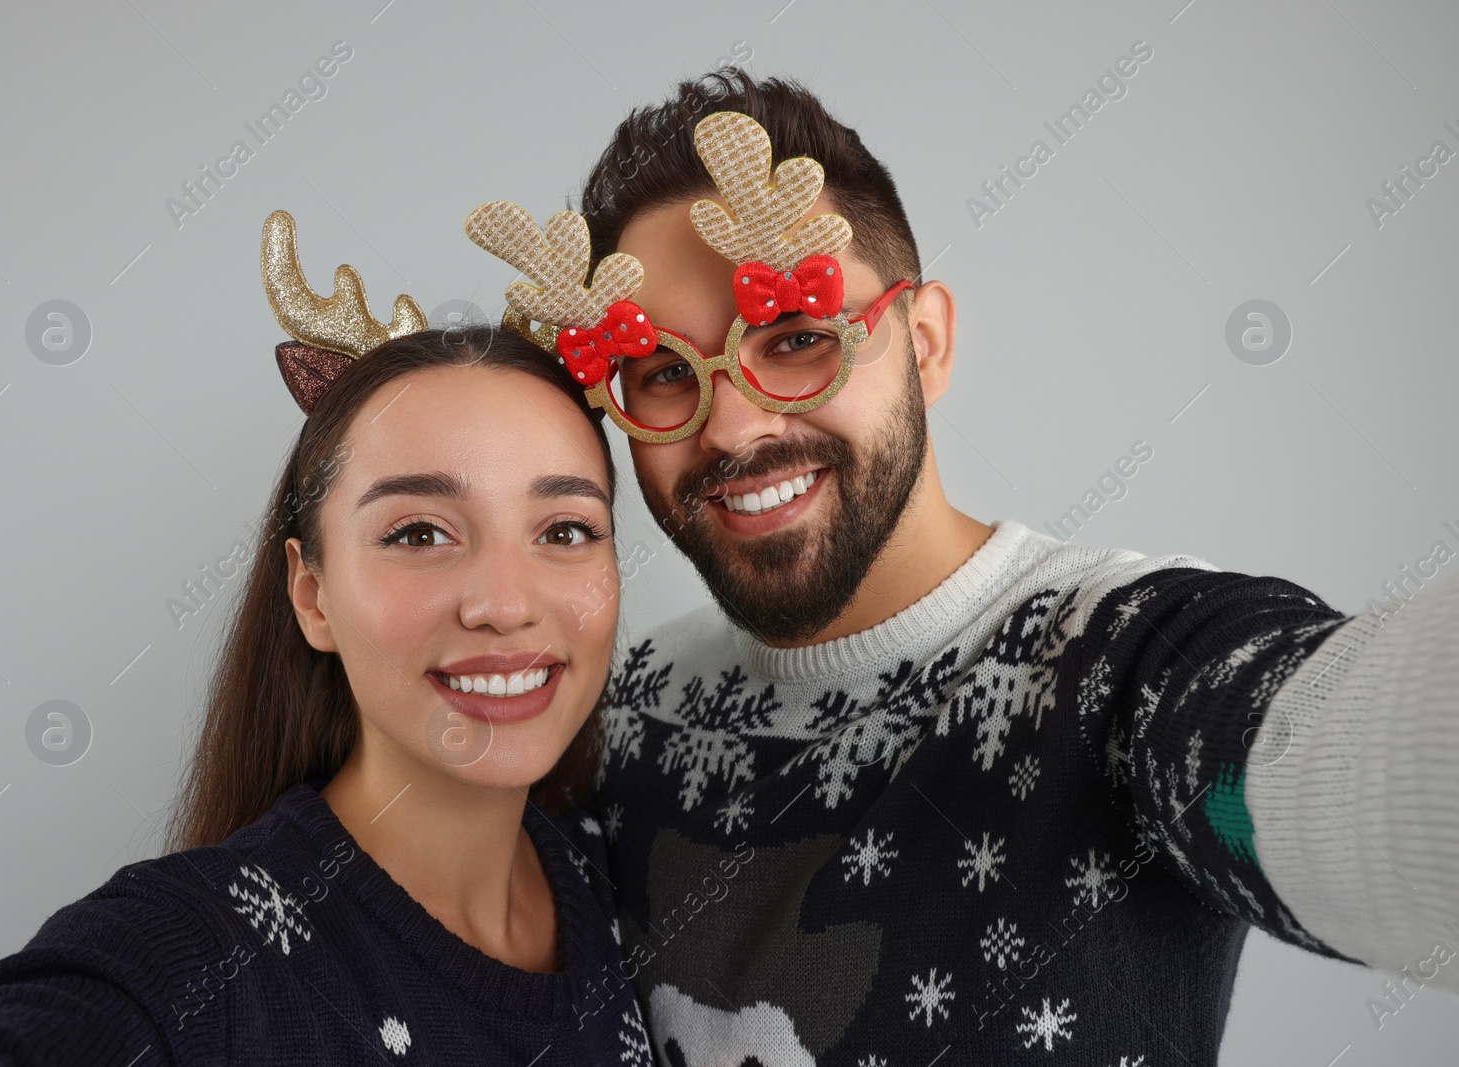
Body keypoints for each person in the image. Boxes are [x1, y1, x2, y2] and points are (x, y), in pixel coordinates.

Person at [468, 72, 1458, 1063]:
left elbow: (1322, 751)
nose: (733, 426)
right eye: (664, 374)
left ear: (926, 340)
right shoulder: (608, 706)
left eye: (801, 338)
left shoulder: (1117, 660)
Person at [0, 211, 654, 1066]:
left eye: (566, 529)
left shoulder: (620, 876)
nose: (504, 603)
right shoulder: (201, 952)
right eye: (419, 533)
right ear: (311, 594)